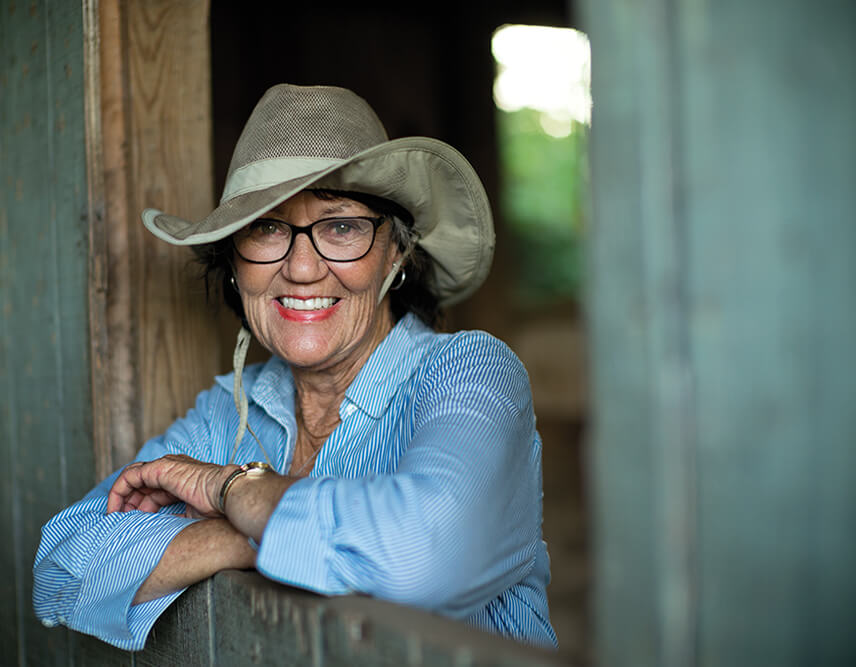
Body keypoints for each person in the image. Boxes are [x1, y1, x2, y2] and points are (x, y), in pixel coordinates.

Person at [33, 83, 557, 650]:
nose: (302, 269)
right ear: (235, 264)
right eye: (266, 227)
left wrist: (230, 487)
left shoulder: (470, 372)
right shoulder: (231, 409)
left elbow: (419, 558)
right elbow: (62, 573)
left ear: (397, 252)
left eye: (341, 227)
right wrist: (251, 532)